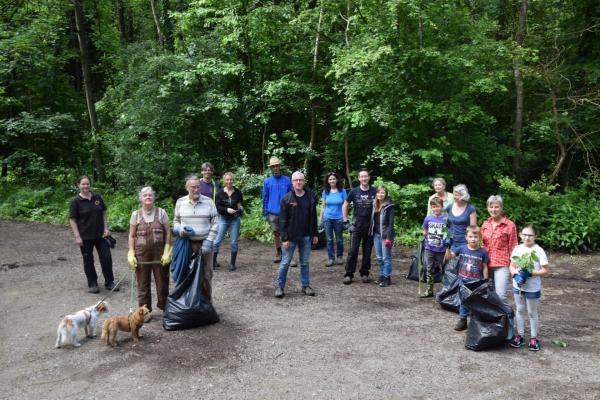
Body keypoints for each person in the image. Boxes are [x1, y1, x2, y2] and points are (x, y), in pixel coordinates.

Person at [173, 174, 219, 302]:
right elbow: (176, 221)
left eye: (198, 187)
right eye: (193, 187)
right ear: (187, 188)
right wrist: (180, 230)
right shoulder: (180, 202)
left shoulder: (209, 202)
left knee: (206, 275)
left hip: (205, 245)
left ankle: (206, 304)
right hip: (187, 245)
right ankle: (187, 305)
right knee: (186, 274)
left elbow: (216, 222)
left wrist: (209, 241)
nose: (196, 190)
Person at [69, 175, 116, 294]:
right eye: (83, 184)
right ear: (78, 185)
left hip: (101, 235)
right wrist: (77, 236)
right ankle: (93, 284)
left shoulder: (97, 197)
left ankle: (109, 282)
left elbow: (104, 212)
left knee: (106, 258)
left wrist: (106, 228)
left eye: (87, 184)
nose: (86, 186)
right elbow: (72, 220)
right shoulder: (75, 201)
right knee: (88, 260)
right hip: (85, 237)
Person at [127, 187, 172, 313]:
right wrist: (131, 253)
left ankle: (165, 308)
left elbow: (168, 232)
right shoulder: (135, 215)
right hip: (141, 255)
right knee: (143, 285)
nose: (148, 197)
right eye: (145, 195)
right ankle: (144, 311)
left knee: (162, 283)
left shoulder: (161, 213)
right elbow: (131, 235)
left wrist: (167, 251)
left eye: (150, 195)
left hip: (160, 255)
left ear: (154, 197)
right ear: (141, 198)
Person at [275, 171, 318, 298]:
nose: (298, 182)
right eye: (296, 180)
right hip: (290, 237)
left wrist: (314, 234)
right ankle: (279, 287)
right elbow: (282, 220)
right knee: (285, 262)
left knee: (304, 262)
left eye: (300, 180)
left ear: (304, 181)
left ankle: (305, 286)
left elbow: (313, 217)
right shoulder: (286, 199)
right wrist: (284, 238)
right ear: (292, 182)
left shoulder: (310, 196)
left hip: (306, 236)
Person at [509, 225, 550, 351]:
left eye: (530, 235)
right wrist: (515, 275)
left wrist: (531, 273)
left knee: (532, 312)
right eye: (524, 235)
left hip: (532, 287)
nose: (527, 237)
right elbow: (512, 265)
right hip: (518, 286)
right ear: (520, 235)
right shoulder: (517, 249)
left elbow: (545, 270)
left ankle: (533, 338)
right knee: (520, 310)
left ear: (535, 236)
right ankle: (520, 336)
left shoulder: (539, 251)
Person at [481, 195, 518, 307]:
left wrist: (514, 267)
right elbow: (482, 244)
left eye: (496, 207)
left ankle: (507, 323)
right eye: (491, 207)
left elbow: (514, 246)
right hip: (486, 265)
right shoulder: (485, 224)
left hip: (502, 265)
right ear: (487, 207)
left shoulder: (510, 225)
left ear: (501, 208)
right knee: (489, 295)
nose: (493, 209)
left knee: (501, 296)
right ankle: (493, 323)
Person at [342, 169, 377, 284]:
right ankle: (349, 274)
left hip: (370, 226)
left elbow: (381, 206)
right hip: (357, 226)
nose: (364, 179)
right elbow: (345, 205)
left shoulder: (375, 191)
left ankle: (364, 273)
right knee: (353, 250)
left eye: (365, 176)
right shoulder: (354, 191)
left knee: (367, 251)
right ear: (358, 178)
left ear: (369, 177)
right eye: (361, 177)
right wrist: (345, 221)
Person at [451, 225, 489, 331]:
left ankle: (474, 322)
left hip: (476, 282)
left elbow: (485, 267)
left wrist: (485, 281)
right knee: (464, 301)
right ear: (466, 237)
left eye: (476, 237)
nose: (473, 239)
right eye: (471, 236)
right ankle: (463, 320)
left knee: (475, 301)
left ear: (480, 237)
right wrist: (448, 247)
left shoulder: (483, 252)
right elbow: (449, 257)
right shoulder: (462, 248)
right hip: (463, 280)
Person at [262, 156, 292, 263]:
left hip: (286, 212)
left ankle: (288, 255)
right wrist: (264, 212)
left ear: (280, 167)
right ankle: (279, 252)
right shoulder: (267, 182)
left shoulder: (287, 180)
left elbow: (292, 196)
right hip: (272, 212)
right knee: (276, 233)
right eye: (273, 166)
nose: (275, 168)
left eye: (277, 166)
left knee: (287, 233)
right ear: (271, 168)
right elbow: (265, 197)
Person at [213, 172, 244, 271]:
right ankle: (213, 262)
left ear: (233, 180)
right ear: (224, 181)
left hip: (235, 219)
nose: (229, 181)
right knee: (217, 241)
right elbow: (217, 207)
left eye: (231, 179)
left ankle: (232, 264)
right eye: (227, 180)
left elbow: (240, 204)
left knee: (234, 242)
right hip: (223, 219)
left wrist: (240, 209)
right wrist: (227, 210)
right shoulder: (220, 193)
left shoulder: (238, 192)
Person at [420, 197, 448, 297]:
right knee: (429, 268)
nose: (436, 209)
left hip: (442, 249)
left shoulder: (445, 219)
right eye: (433, 207)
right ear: (431, 208)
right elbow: (424, 229)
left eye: (438, 206)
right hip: (429, 248)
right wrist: (425, 234)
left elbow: (448, 232)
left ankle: (446, 290)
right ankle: (429, 290)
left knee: (444, 269)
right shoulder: (428, 218)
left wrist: (447, 240)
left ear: (442, 207)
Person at [319, 172, 347, 267]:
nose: (332, 181)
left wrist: (344, 217)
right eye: (330, 179)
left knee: (339, 239)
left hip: (339, 218)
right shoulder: (325, 192)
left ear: (337, 180)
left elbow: (345, 205)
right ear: (328, 181)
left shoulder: (342, 191)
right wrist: (321, 218)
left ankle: (339, 256)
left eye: (333, 179)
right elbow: (323, 206)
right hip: (327, 218)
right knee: (329, 239)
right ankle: (331, 258)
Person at [370, 186, 395, 287]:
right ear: (376, 194)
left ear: (386, 194)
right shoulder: (374, 204)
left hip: (386, 236)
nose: (380, 194)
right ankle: (381, 275)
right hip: (376, 235)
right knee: (379, 257)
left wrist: (388, 237)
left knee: (386, 257)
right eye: (379, 192)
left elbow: (391, 223)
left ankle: (387, 277)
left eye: (383, 193)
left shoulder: (390, 206)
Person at [447, 184, 477, 253]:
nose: (454, 197)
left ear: (463, 196)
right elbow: (446, 224)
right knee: (451, 263)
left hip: (465, 243)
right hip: (451, 243)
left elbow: (473, 229)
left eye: (457, 195)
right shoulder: (449, 207)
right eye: (454, 194)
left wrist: (472, 244)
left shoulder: (470, 209)